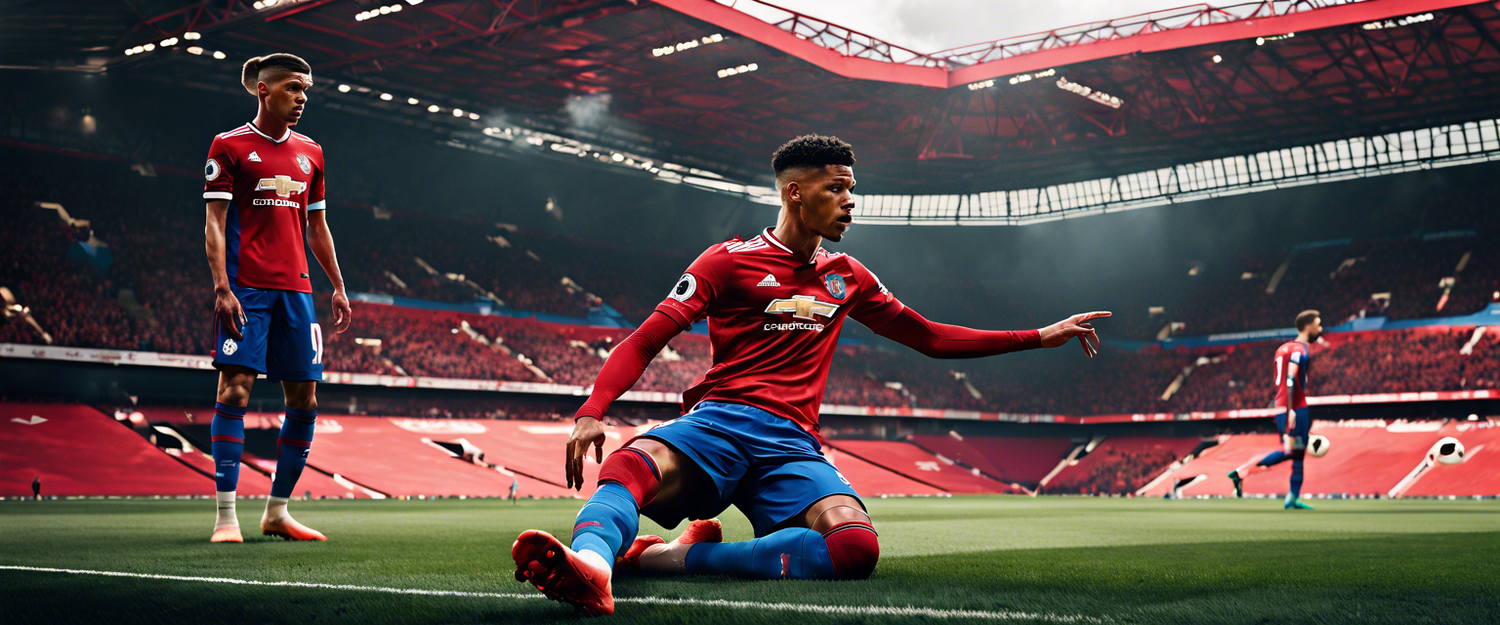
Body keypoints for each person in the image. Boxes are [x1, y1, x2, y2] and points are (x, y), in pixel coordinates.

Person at [511, 135, 1110, 615]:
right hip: (719, 424)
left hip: (793, 442)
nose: (851, 201)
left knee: (853, 549)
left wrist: (1039, 335)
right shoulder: (726, 261)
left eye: (852, 189)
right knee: (629, 465)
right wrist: (592, 411)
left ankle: (662, 559)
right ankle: (593, 567)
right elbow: (646, 339)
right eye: (837, 188)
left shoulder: (848, 275)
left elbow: (929, 337)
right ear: (796, 193)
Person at [203, 53, 352, 543]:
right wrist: (222, 286)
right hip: (246, 287)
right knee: (235, 391)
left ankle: (277, 512)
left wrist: (338, 285)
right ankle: (226, 518)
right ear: (263, 90)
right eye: (293, 88)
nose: (302, 97)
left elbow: (317, 226)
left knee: (305, 398)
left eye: (306, 89)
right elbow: (215, 223)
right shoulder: (229, 145)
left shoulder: (313, 152)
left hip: (298, 290)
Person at [1229, 309, 1322, 509]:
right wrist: (1291, 409)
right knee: (1291, 451)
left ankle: (1293, 498)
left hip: (1284, 403)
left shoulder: (1284, 348)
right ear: (1308, 326)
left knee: (1298, 453)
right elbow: (1290, 379)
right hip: (1294, 405)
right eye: (1318, 324)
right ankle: (1242, 472)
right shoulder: (1300, 350)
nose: (1320, 328)